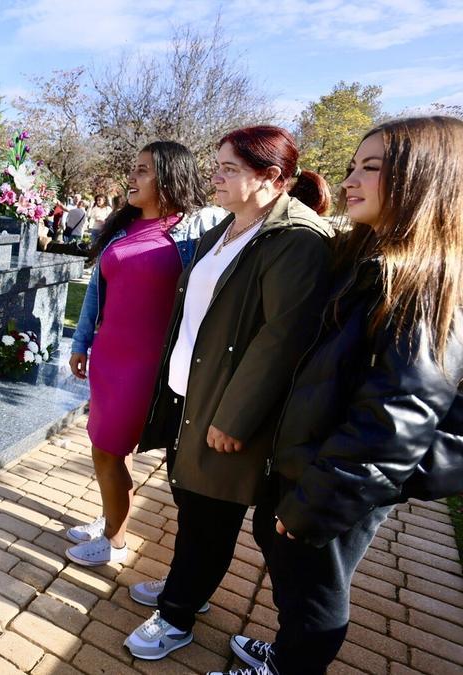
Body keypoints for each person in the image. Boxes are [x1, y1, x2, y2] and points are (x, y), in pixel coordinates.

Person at [216, 117, 463, 675]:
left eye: (370, 169)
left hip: (338, 479)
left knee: (315, 596)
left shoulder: (420, 287)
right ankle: (286, 653)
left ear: (424, 179)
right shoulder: (368, 260)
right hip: (313, 462)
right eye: (353, 166)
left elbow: (395, 421)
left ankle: (292, 666)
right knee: (289, 567)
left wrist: (315, 505)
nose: (351, 180)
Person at [123, 125, 334, 661]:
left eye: (229, 168)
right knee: (189, 502)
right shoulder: (228, 224)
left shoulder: (295, 239)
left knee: (209, 516)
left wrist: (236, 418)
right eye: (216, 164)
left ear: (272, 178)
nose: (214, 175)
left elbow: (281, 338)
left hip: (227, 408)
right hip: (190, 393)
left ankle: (176, 617)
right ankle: (184, 590)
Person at [66, 141, 225, 567]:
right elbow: (96, 295)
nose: (131, 179)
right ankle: (110, 518)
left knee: (108, 448)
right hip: (108, 358)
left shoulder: (199, 228)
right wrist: (81, 343)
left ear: (169, 177)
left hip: (149, 364)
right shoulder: (120, 228)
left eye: (142, 171)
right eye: (133, 170)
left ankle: (114, 542)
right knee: (108, 447)